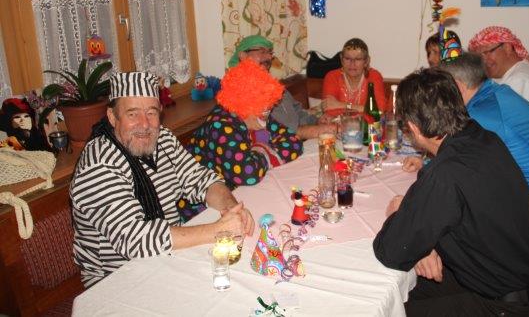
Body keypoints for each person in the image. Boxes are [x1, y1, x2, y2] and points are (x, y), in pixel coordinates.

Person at [373, 68, 529, 316]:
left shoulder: (445, 173)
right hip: (528, 275)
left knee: (389, 309)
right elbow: (453, 214)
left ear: (414, 128)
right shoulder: (483, 137)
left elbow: (391, 251)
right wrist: (422, 243)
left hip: (508, 304)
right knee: (407, 290)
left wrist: (399, 211)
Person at [71, 72, 254, 287]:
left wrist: (231, 208)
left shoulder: (164, 139)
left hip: (169, 258)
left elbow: (202, 180)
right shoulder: (98, 164)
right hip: (117, 281)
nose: (144, 124)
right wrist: (218, 230)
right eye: (132, 114)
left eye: (151, 112)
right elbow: (134, 239)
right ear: (112, 117)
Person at [438, 53, 529, 232]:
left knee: (451, 223)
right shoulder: (497, 93)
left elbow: (459, 168)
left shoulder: (482, 115)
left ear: (458, 86)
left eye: (443, 88)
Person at [187, 59, 302, 187]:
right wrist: (265, 148)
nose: (268, 113)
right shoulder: (220, 127)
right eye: (264, 108)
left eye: (269, 107)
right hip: (207, 195)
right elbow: (248, 174)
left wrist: (259, 154)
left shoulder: (259, 117)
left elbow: (294, 142)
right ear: (244, 105)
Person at [229, 35, 335, 139]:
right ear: (243, 56)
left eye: (270, 52)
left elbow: (299, 113)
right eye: (262, 52)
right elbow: (265, 131)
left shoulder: (274, 86)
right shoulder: (236, 90)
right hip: (277, 145)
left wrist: (317, 121)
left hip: (296, 141)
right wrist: (310, 131)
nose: (268, 57)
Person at [468, 26, 529, 124]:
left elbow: (501, 123)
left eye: (487, 52)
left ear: (507, 48)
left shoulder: (520, 80)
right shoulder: (511, 74)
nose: (484, 60)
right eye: (480, 56)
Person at [322, 38, 386, 117]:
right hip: (338, 124)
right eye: (347, 58)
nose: (352, 64)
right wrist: (363, 109)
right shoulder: (332, 77)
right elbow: (329, 109)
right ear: (341, 59)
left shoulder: (374, 76)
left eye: (358, 59)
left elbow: (379, 111)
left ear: (366, 61)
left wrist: (340, 105)